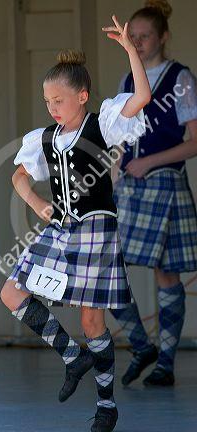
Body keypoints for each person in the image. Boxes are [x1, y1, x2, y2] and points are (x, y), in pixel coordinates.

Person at [0, 15, 150, 432]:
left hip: (96, 229)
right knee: (12, 293)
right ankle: (72, 356)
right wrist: (35, 201)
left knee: (91, 321)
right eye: (47, 101)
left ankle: (106, 405)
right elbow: (18, 176)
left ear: (82, 96)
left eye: (59, 101)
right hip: (60, 228)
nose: (52, 108)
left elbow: (141, 96)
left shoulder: (103, 123)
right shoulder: (45, 138)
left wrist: (130, 51)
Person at [111, 0, 197, 388]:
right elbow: (119, 141)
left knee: (166, 273)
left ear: (163, 37)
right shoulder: (128, 81)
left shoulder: (180, 78)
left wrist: (150, 162)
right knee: (107, 266)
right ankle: (141, 345)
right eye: (134, 37)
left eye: (146, 36)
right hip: (130, 186)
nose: (140, 43)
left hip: (165, 183)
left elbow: (195, 141)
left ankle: (165, 363)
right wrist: (112, 177)